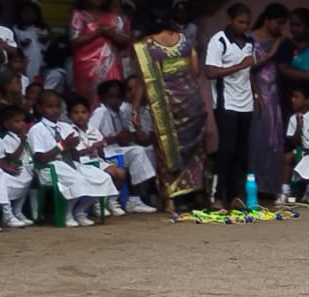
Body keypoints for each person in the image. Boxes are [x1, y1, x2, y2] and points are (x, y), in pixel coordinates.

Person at [134, 11, 206, 214]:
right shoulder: (184, 40)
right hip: (191, 102)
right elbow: (195, 71)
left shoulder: (145, 45)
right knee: (195, 149)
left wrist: (134, 108)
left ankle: (170, 201)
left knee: (166, 150)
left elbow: (142, 80)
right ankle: (197, 193)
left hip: (165, 106)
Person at [28, 89, 116, 226]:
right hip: (49, 167)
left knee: (102, 178)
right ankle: (66, 213)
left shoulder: (65, 127)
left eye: (58, 106)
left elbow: (75, 155)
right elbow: (40, 159)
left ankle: (80, 211)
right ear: (40, 108)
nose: (55, 110)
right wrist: (62, 145)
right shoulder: (37, 130)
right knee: (78, 180)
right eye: (50, 107)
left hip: (70, 164)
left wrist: (73, 147)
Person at [203, 4, 256, 210]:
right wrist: (238, 66)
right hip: (226, 103)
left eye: (247, 23)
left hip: (246, 103)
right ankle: (216, 195)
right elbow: (210, 71)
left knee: (242, 151)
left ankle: (236, 195)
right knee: (227, 149)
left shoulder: (250, 41)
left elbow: (249, 71)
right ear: (230, 19)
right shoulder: (219, 41)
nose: (243, 26)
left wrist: (256, 92)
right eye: (240, 22)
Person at [89, 78, 157, 212]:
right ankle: (133, 199)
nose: (115, 100)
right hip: (102, 153)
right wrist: (116, 138)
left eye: (118, 97)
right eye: (111, 97)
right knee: (136, 152)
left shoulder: (119, 112)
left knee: (139, 151)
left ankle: (135, 199)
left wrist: (127, 136)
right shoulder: (100, 112)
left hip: (114, 149)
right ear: (102, 98)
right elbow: (89, 137)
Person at [246, 3, 286, 205]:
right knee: (258, 139)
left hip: (273, 92)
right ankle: (256, 185)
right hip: (257, 92)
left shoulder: (279, 39)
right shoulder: (251, 38)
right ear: (268, 19)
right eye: (278, 23)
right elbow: (248, 68)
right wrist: (255, 93)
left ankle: (272, 186)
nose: (281, 27)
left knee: (274, 139)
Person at [68, 0, 130, 100]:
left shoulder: (115, 17)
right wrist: (97, 32)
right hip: (86, 66)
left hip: (110, 63)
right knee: (89, 98)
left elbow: (125, 41)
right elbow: (74, 40)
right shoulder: (79, 15)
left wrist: (111, 34)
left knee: (112, 91)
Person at [0, 104, 33, 224]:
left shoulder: (18, 135)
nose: (22, 124)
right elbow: (10, 157)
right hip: (7, 169)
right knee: (7, 185)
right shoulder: (2, 136)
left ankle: (17, 211)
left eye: (22, 121)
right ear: (6, 123)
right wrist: (22, 143)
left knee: (27, 180)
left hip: (21, 168)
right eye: (17, 121)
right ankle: (7, 214)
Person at [11, 1, 47, 81]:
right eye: (26, 13)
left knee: (38, 78)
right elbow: (16, 45)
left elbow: (46, 45)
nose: (29, 16)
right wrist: (23, 44)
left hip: (40, 59)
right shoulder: (17, 28)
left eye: (32, 14)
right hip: (25, 58)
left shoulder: (42, 28)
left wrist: (44, 39)